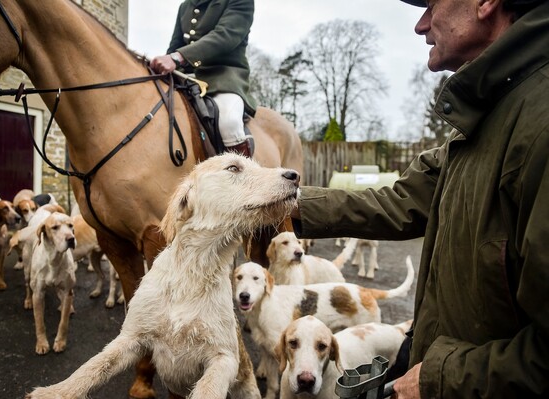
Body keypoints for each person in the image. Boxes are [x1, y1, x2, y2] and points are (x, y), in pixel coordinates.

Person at [290, 0, 549, 397]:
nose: (420, 25)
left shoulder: (538, 118)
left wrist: (439, 379)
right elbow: (397, 201)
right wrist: (290, 206)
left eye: (432, 3)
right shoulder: (485, 119)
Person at [149, 0, 257, 157]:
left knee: (229, 122)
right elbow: (175, 46)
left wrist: (178, 57)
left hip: (223, 76)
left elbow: (225, 35)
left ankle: (243, 178)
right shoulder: (186, 6)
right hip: (185, 77)